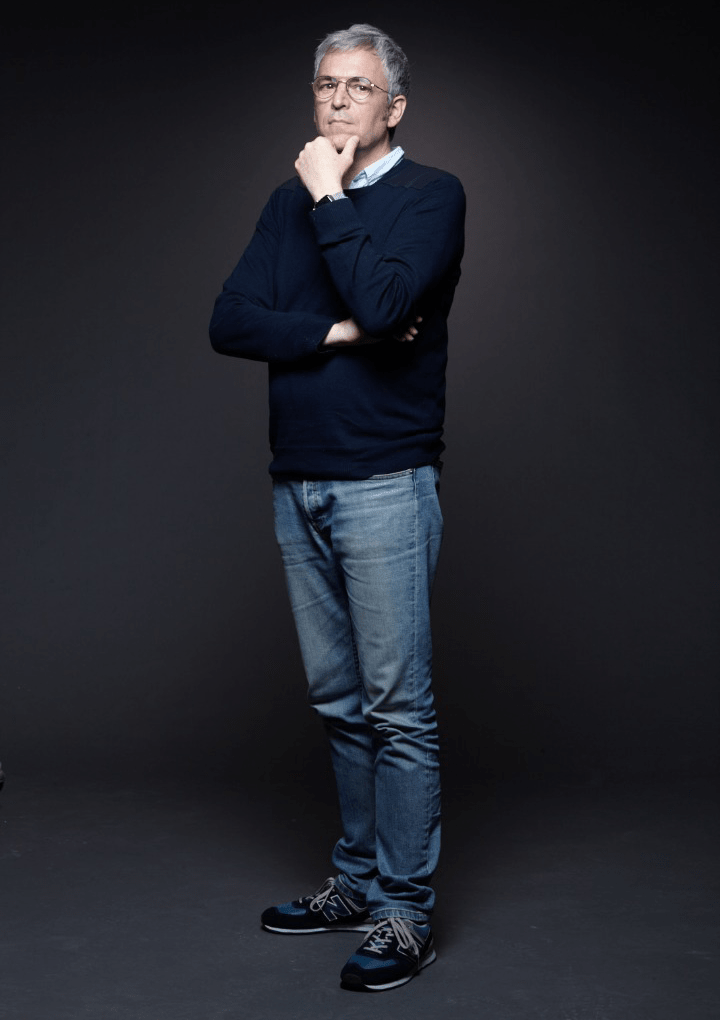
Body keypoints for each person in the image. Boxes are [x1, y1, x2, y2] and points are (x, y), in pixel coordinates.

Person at [209, 23, 465, 992]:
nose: (338, 100)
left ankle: (405, 912)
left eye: (358, 87)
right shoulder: (284, 204)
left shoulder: (430, 195)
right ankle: (356, 884)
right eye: (325, 85)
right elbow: (230, 320)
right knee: (339, 702)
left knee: (399, 710)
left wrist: (329, 193)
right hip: (300, 478)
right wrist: (340, 333)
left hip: (386, 481)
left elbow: (386, 294)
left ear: (394, 107)